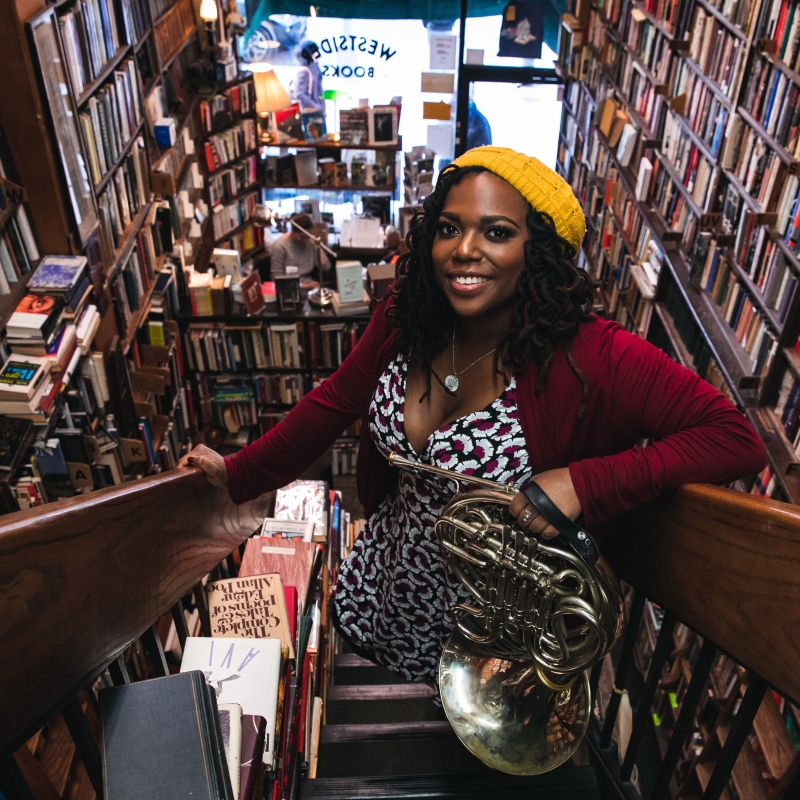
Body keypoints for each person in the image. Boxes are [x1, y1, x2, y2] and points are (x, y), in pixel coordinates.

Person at [180, 146, 766, 684]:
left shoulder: (597, 355)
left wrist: (586, 482)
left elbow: (735, 438)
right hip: (388, 579)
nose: (464, 250)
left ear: (537, 251)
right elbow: (332, 402)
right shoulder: (407, 317)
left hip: (494, 631)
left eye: (497, 232)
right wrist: (238, 475)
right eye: (449, 229)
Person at [269, 213, 329, 279]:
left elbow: (326, 267)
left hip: (310, 284)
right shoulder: (280, 246)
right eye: (302, 237)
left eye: (307, 236)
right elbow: (276, 278)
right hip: (289, 285)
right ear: (293, 231)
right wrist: (304, 285)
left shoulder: (310, 242)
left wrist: (317, 246)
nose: (305, 240)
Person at [292, 41, 323, 111]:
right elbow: (299, 94)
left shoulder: (314, 69)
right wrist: (316, 107)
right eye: (314, 52)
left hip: (317, 111)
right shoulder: (305, 71)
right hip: (311, 112)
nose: (317, 55)